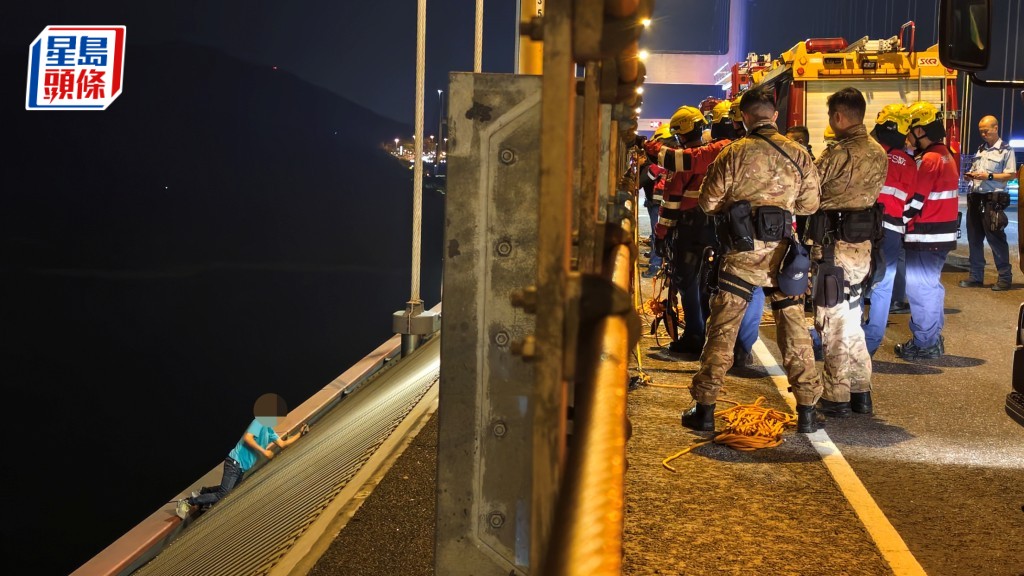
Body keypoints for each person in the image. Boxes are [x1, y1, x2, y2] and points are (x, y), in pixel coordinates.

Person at [684, 86, 823, 433]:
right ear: (774, 116)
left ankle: (705, 409)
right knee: (794, 333)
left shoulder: (733, 153)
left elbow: (708, 202)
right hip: (783, 257)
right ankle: (807, 412)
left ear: (744, 117)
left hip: (741, 256)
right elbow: (809, 206)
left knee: (722, 332)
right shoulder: (799, 154)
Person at [806, 87, 888, 417]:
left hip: (832, 246)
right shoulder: (879, 151)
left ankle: (837, 393)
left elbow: (809, 193)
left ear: (839, 117)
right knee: (852, 313)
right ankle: (860, 389)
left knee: (832, 318)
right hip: (864, 245)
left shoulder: (838, 154)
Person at [644, 105, 729, 354]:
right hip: (718, 227)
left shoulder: (687, 160)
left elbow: (670, 204)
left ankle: (694, 336)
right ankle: (712, 337)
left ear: (680, 134)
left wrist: (660, 236)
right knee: (709, 284)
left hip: (690, 230)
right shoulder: (724, 150)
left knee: (688, 284)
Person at [175, 393, 308, 519]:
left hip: (242, 468)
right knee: (224, 494)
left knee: (229, 490)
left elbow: (282, 444)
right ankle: (188, 502)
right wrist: (264, 451)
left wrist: (300, 434)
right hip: (234, 462)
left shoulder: (268, 429)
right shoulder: (259, 422)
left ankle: (204, 492)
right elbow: (248, 438)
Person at [895, 101, 960, 361]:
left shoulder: (929, 160)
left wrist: (895, 221)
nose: (907, 136)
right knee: (931, 287)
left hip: (925, 234)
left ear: (920, 131)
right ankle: (931, 337)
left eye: (910, 130)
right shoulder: (947, 154)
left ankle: (925, 343)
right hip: (940, 234)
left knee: (920, 289)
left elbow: (914, 202)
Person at [863, 104, 917, 357]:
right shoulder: (908, 162)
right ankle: (871, 342)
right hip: (893, 229)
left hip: (862, 226)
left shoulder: (868, 153)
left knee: (852, 281)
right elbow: (911, 200)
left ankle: (844, 338)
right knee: (884, 286)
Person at [960, 115, 1017, 291]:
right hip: (976, 198)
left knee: (996, 240)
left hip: (993, 200)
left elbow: (1011, 174)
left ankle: (1005, 278)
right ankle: (976, 276)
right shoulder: (981, 150)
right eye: (981, 131)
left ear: (995, 128)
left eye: (986, 130)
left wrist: (989, 176)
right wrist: (969, 175)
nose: (983, 134)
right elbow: (976, 171)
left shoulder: (1006, 150)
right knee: (974, 239)